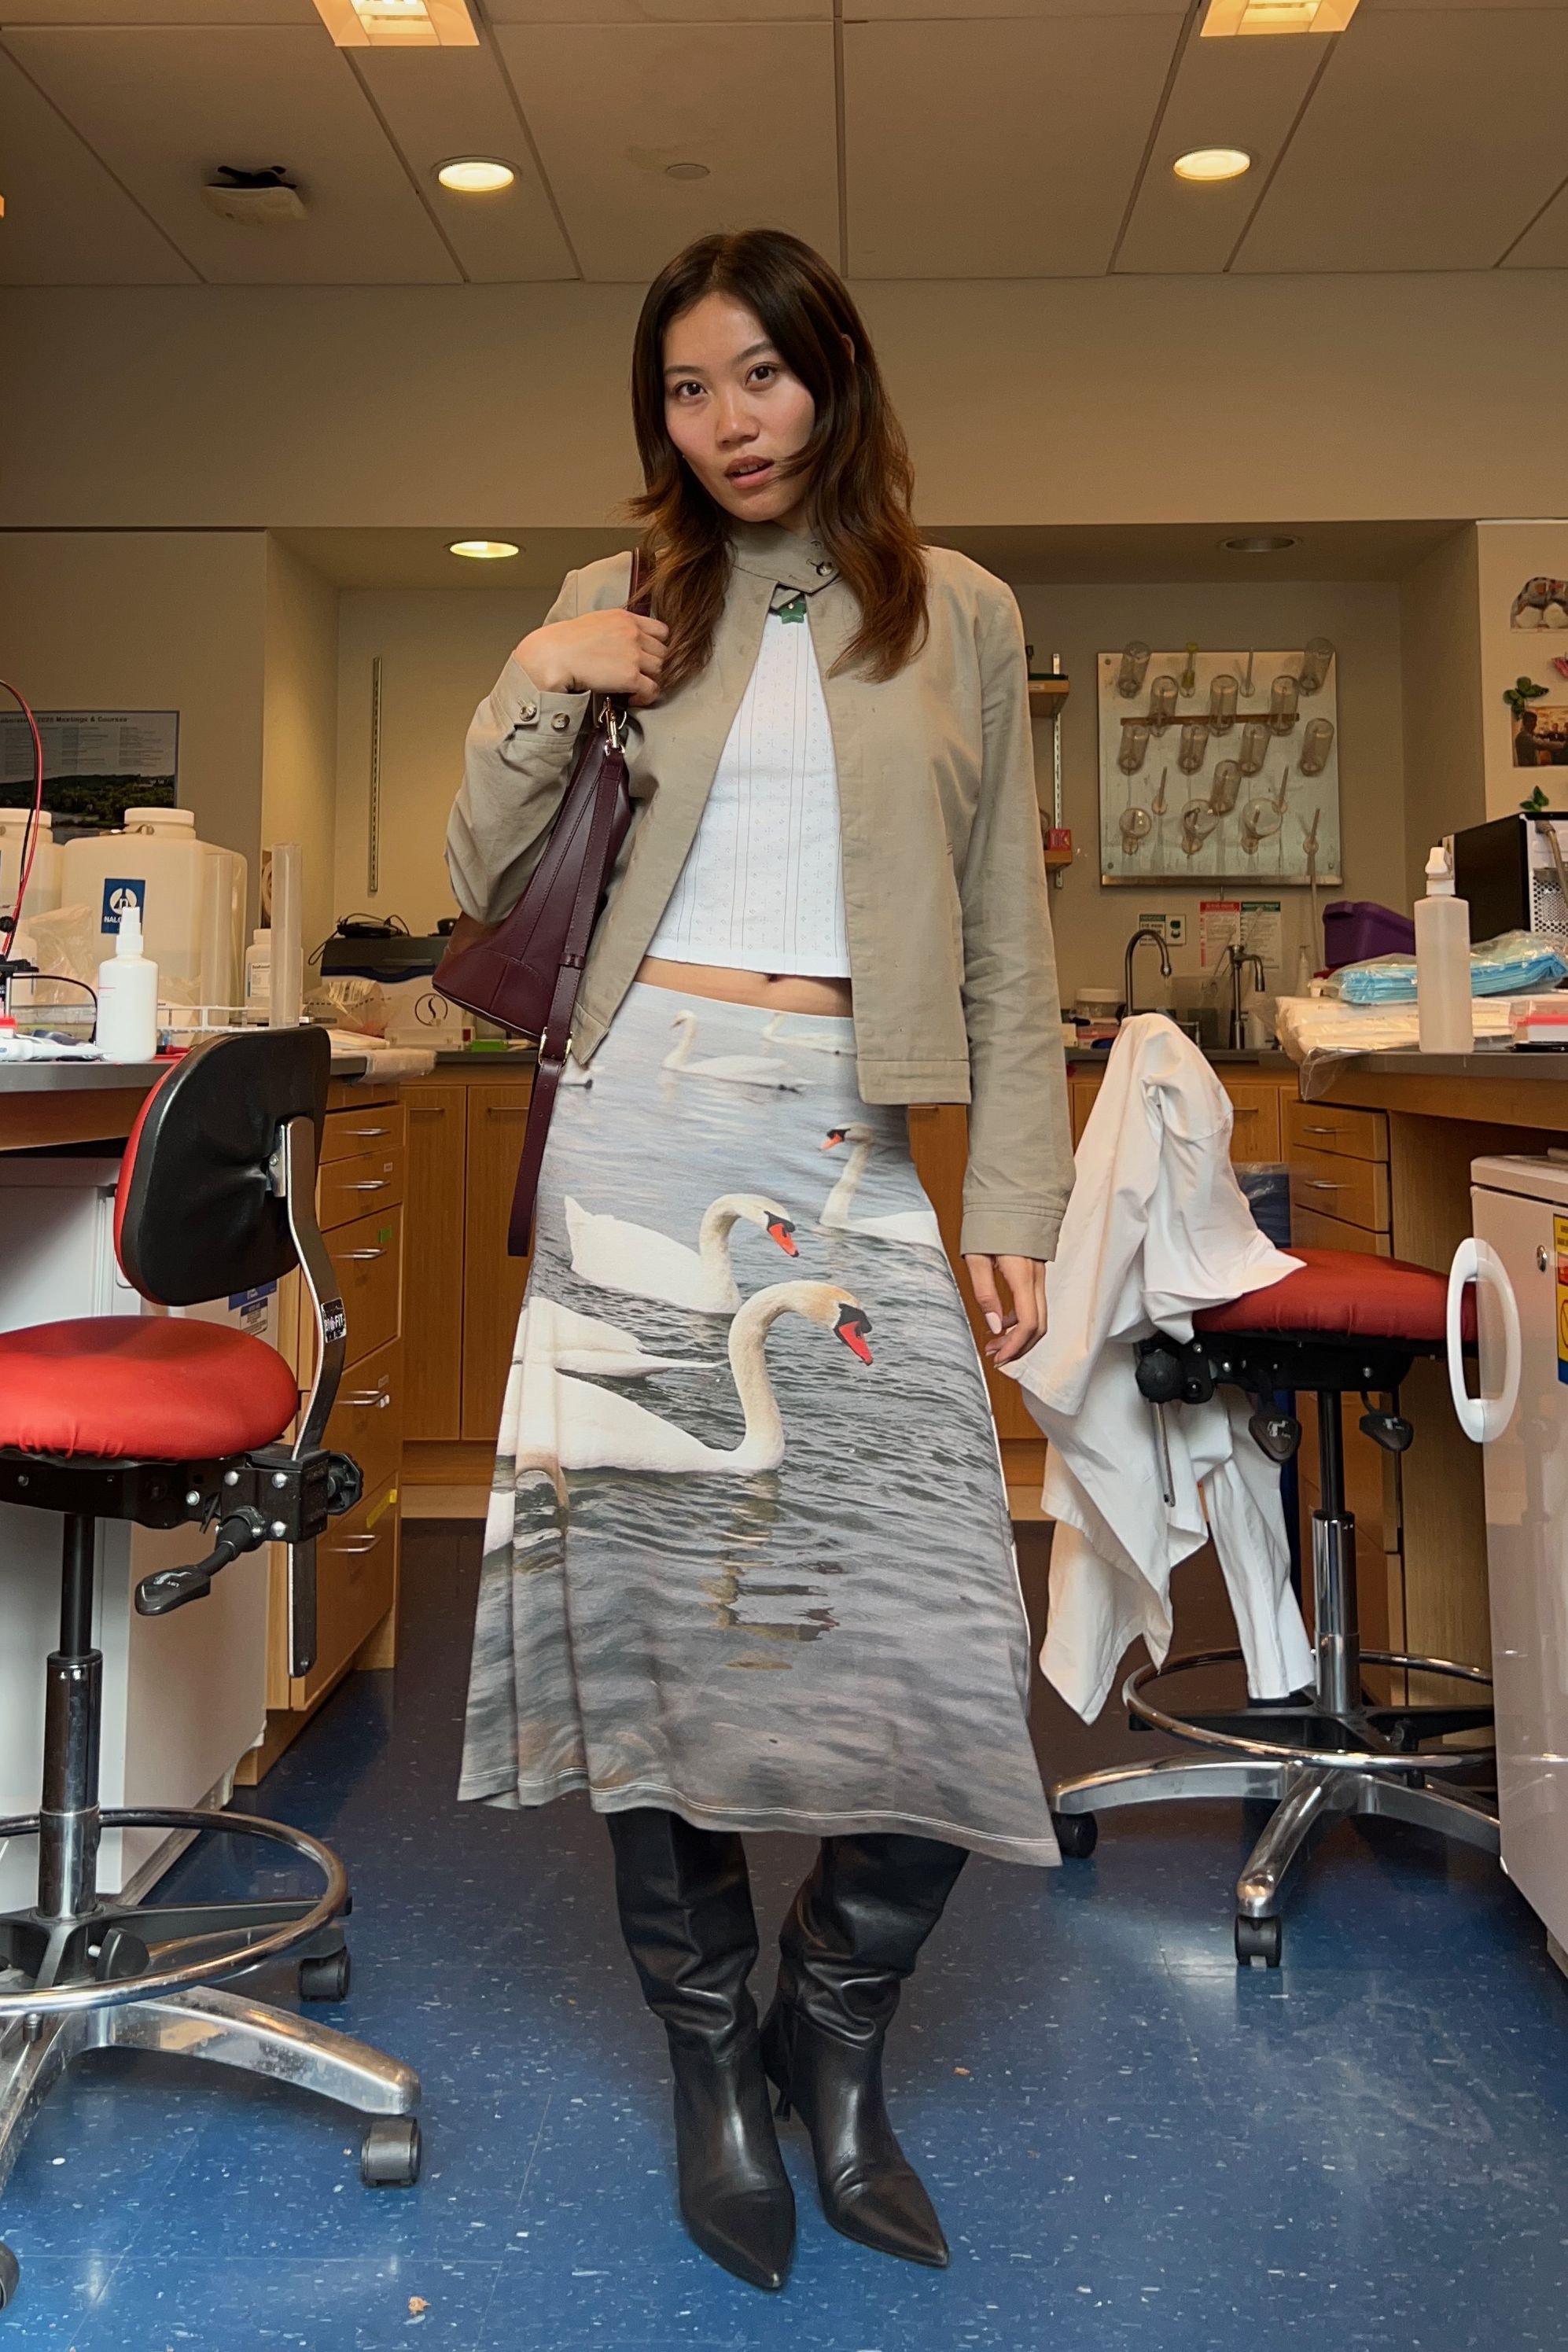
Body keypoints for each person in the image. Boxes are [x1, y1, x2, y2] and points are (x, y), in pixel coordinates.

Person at [447, 228, 1073, 2293]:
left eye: (757, 378)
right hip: (642, 1120)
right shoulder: (614, 602)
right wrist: (538, 682)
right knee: (655, 1619)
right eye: (685, 389)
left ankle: (836, 2022)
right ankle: (714, 2064)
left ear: (831, 378)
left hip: (858, 1139)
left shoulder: (956, 614)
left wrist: (1009, 1206)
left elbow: (1001, 934)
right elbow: (479, 882)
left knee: (935, 1627)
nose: (724, 422)